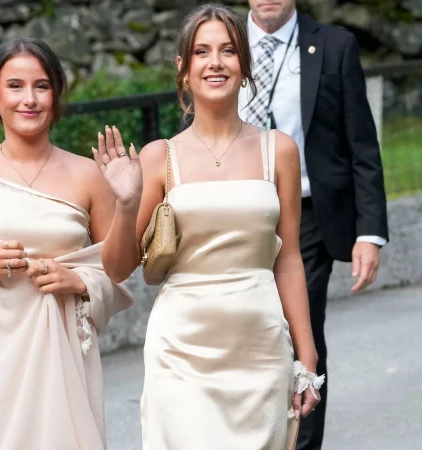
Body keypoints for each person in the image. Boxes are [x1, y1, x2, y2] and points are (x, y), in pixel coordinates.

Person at [94, 5, 323, 449]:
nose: (215, 62)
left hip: (260, 346)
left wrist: (306, 355)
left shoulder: (280, 150)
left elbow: (289, 259)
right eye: (201, 51)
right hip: (181, 349)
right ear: (183, 68)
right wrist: (125, 204)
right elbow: (117, 267)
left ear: (245, 65)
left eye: (228, 51)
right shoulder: (160, 156)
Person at [0, 37, 132, 449]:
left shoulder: (88, 174)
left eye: (41, 86)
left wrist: (78, 280)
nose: (29, 99)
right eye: (15, 86)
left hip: (57, 348)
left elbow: (118, 268)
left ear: (56, 96)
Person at [240, 1, 389, 448]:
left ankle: (300, 443)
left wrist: (369, 231)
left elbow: (360, 141)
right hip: (236, 210)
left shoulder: (334, 46)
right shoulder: (220, 43)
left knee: (298, 330)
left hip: (305, 215)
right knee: (244, 330)